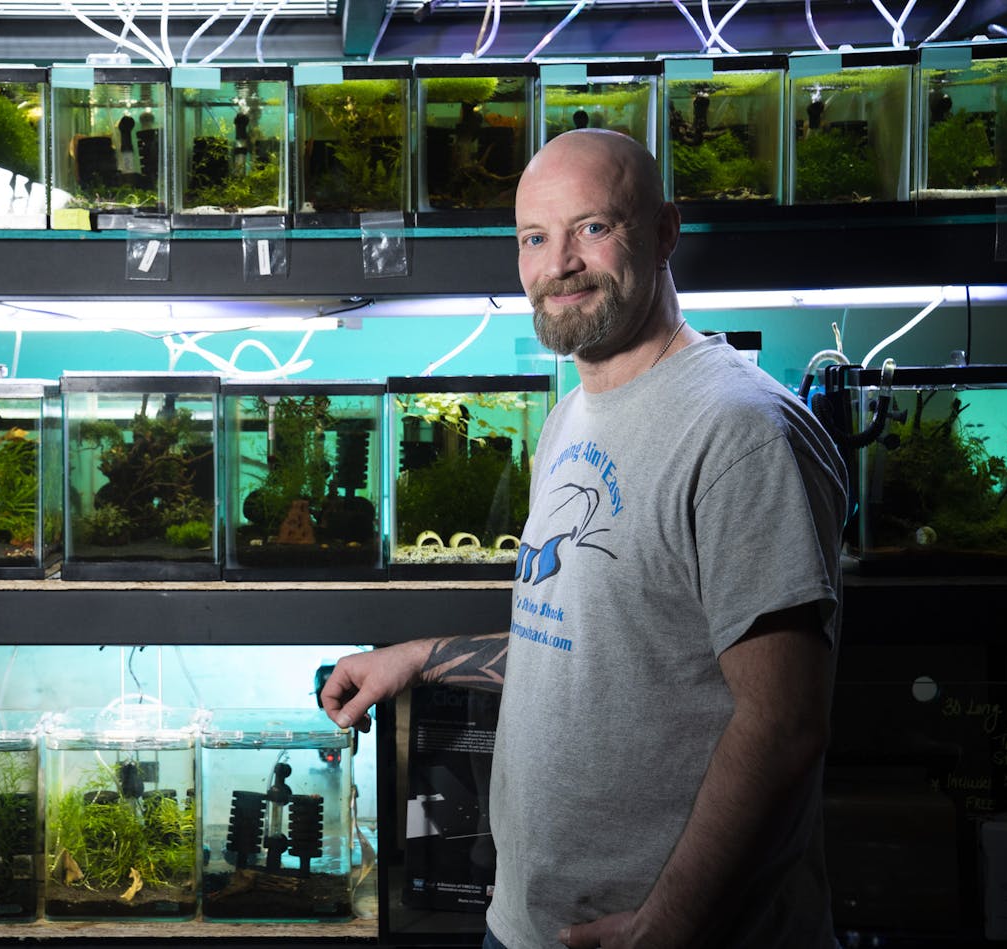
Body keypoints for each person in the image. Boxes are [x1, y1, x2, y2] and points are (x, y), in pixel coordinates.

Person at [320, 128, 847, 949]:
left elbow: (785, 726)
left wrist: (667, 927)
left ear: (666, 232)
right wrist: (419, 656)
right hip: (529, 922)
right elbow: (587, 642)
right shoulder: (571, 416)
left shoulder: (738, 433)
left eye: (593, 228)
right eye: (535, 237)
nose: (558, 262)